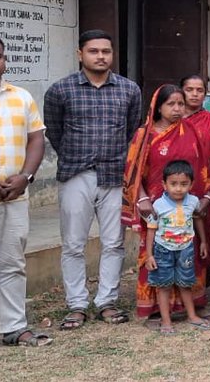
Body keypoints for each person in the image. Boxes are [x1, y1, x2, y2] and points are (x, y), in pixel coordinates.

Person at [45, 29, 142, 329]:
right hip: (76, 174)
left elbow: (131, 132)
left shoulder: (129, 90)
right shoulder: (61, 90)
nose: (100, 56)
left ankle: (106, 302)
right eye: (93, 51)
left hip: (114, 176)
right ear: (80, 54)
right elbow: (55, 131)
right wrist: (76, 156)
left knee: (114, 242)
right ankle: (76, 304)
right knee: (73, 243)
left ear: (112, 55)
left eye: (106, 51)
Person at [0, 33, 51, 346]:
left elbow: (36, 138)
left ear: (4, 59)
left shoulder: (21, 96)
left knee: (12, 265)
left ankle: (14, 328)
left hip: (13, 198)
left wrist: (25, 177)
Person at [124, 85, 210, 321]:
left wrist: (205, 196)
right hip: (156, 207)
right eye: (170, 104)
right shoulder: (145, 135)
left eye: (180, 104)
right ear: (158, 106)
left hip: (187, 208)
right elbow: (133, 172)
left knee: (187, 252)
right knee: (156, 253)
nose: (176, 109)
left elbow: (203, 165)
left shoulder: (190, 131)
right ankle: (155, 306)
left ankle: (188, 305)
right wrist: (142, 199)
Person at [144, 160, 210, 334]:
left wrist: (203, 241)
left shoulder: (193, 201)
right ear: (164, 184)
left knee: (185, 283)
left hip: (186, 249)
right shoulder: (158, 205)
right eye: (173, 184)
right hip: (162, 250)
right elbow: (151, 231)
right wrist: (150, 255)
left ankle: (192, 316)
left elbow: (198, 219)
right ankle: (166, 321)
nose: (178, 189)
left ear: (191, 184)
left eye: (184, 184)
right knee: (164, 285)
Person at [180, 74, 210, 284]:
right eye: (189, 89)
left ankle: (200, 284)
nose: (195, 94)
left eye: (200, 90)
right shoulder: (172, 119)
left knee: (204, 234)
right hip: (174, 187)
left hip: (205, 186)